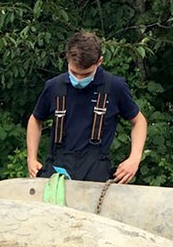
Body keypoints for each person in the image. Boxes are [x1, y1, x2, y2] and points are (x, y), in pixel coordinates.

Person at [26, 31, 147, 183]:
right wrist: (31, 158)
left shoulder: (115, 87)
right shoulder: (54, 87)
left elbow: (139, 121)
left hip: (96, 173)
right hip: (57, 171)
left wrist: (134, 159)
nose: (79, 79)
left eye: (86, 74)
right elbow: (35, 119)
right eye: (74, 73)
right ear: (68, 60)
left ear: (100, 61)